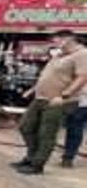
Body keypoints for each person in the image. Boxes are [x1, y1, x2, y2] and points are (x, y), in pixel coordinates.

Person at [13, 29, 87, 174]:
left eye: (56, 40)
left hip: (58, 100)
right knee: (25, 126)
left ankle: (37, 164)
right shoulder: (59, 55)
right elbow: (47, 75)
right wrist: (32, 90)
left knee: (46, 133)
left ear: (68, 39)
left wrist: (64, 96)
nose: (54, 43)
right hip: (41, 98)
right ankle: (31, 157)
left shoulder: (82, 54)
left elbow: (82, 77)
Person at [63, 102, 87, 168]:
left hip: (80, 105)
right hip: (75, 105)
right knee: (72, 131)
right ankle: (68, 157)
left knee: (74, 131)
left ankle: (68, 157)